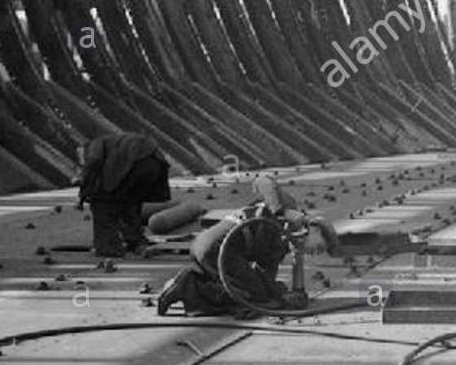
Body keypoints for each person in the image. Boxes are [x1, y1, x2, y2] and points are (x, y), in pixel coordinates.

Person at [156, 174, 339, 317]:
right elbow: (262, 181)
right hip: (218, 247)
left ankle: (192, 283)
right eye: (321, 247)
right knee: (255, 301)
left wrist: (279, 293)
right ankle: (187, 285)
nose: (316, 253)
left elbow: (264, 274)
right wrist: (283, 211)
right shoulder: (288, 210)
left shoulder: (281, 246)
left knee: (264, 297)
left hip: (210, 249)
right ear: (314, 227)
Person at [78, 133, 171, 257]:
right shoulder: (112, 142)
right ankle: (136, 242)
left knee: (102, 204)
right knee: (129, 203)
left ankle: (109, 248)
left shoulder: (95, 144)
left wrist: (84, 190)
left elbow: (94, 162)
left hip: (135, 165)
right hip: (155, 164)